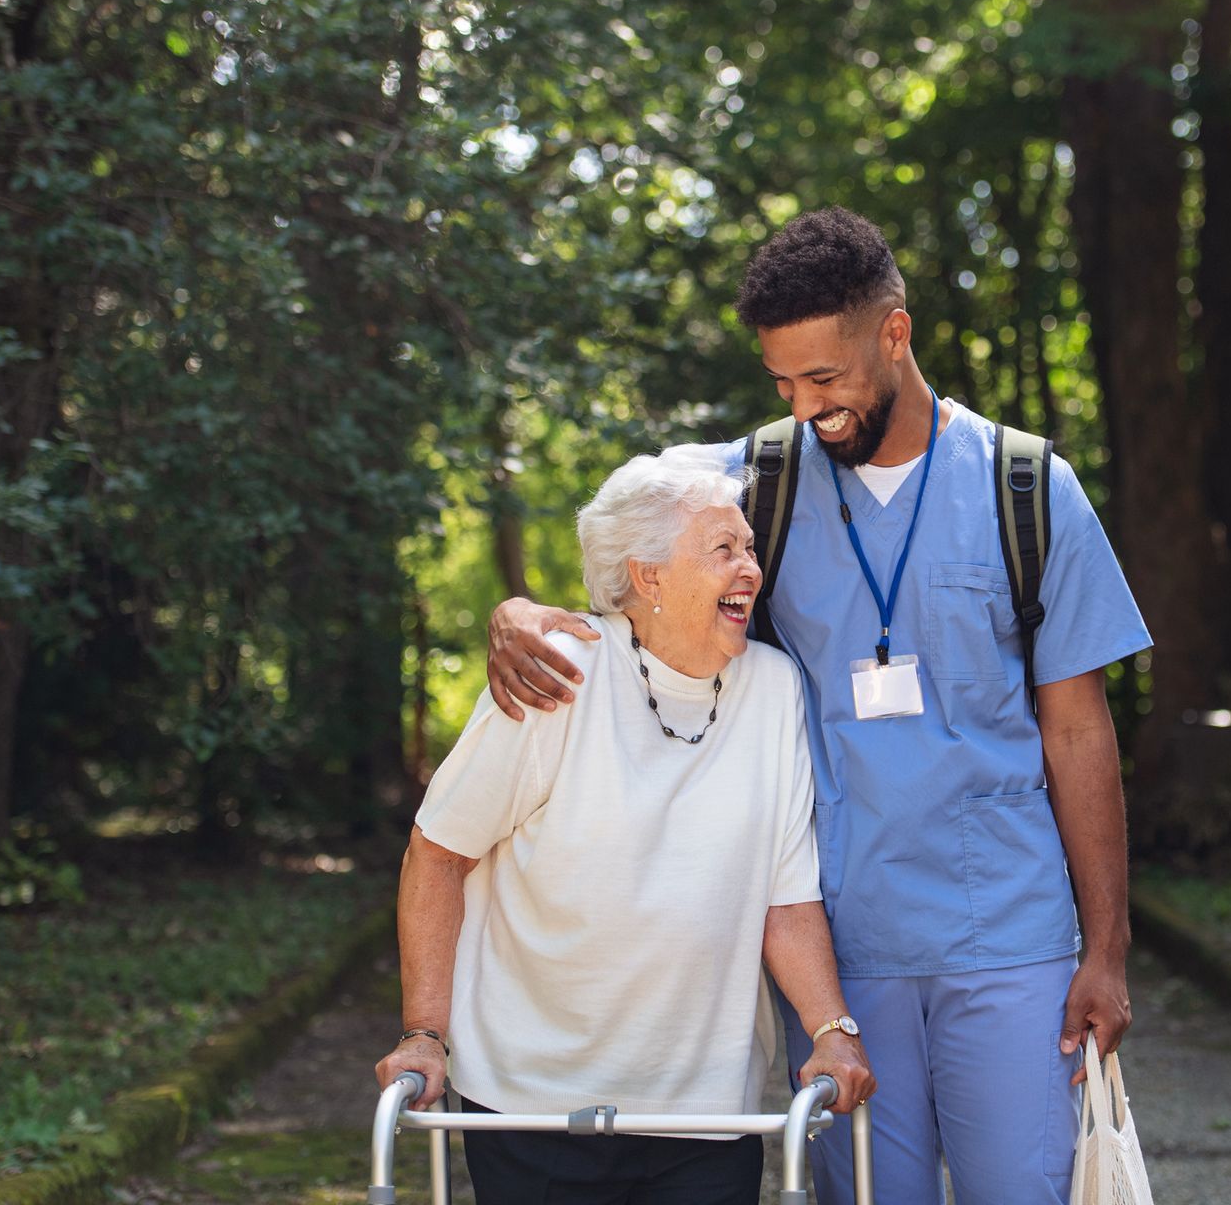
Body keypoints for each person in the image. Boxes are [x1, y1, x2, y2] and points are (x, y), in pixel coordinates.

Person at [487, 207, 1151, 1205]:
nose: (807, 408)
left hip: (1009, 941)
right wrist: (518, 608)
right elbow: (628, 550)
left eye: (826, 379)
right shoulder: (756, 481)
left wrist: (1107, 949)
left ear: (895, 332)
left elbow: (1078, 730)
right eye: (784, 384)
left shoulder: (1029, 489)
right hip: (842, 951)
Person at [375, 445, 875, 1205]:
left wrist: (831, 1027)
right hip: (532, 1103)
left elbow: (786, 898)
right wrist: (424, 1032)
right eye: (722, 550)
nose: (750, 569)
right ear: (647, 576)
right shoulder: (559, 671)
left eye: (748, 548)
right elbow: (437, 852)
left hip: (707, 1110)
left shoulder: (773, 691)